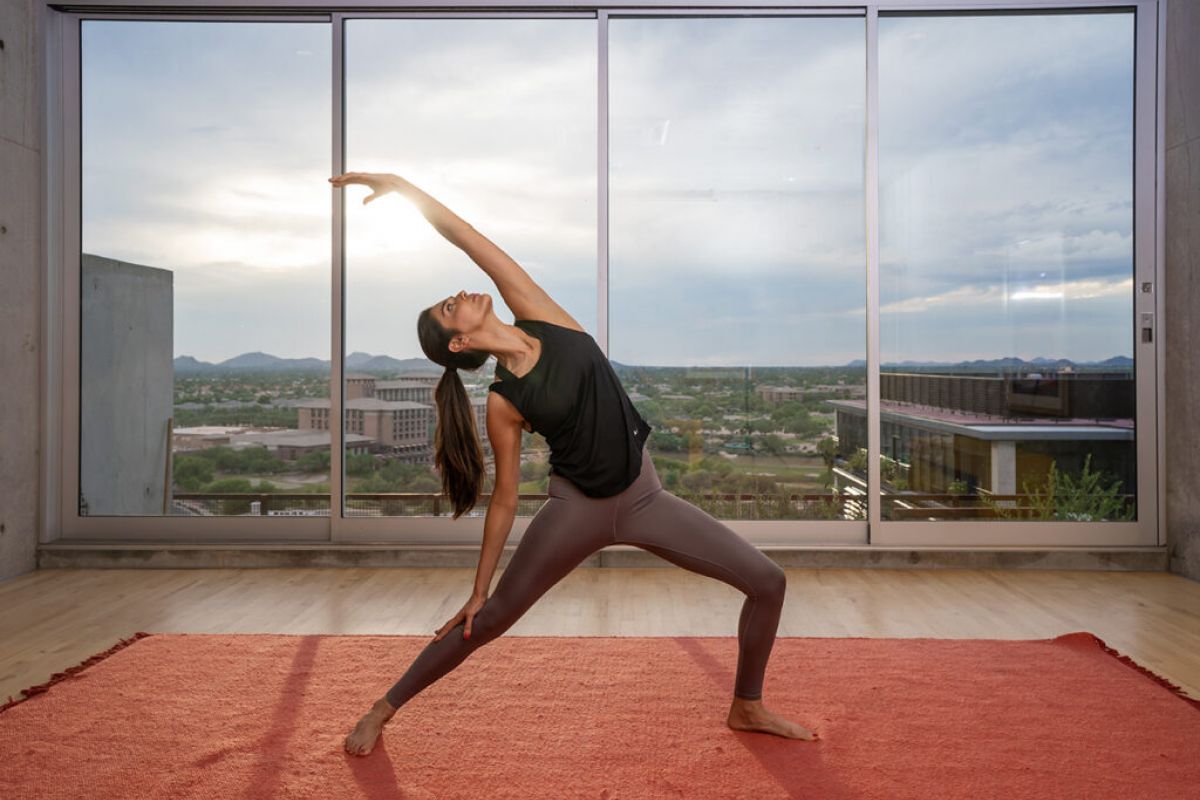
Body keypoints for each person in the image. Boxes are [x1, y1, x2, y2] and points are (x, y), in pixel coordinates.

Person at [330, 171, 818, 756]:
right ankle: (383, 708)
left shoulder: (542, 315)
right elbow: (506, 498)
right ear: (459, 343)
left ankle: (747, 706)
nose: (460, 294)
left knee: (768, 581)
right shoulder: (504, 402)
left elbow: (467, 236)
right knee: (487, 621)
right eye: (448, 306)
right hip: (577, 509)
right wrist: (478, 587)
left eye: (453, 293)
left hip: (644, 496)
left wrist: (403, 188)